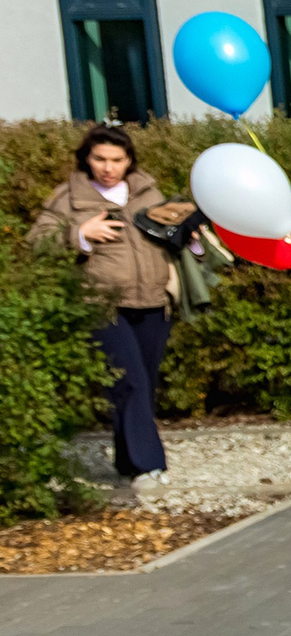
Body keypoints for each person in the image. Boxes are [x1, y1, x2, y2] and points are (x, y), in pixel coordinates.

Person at [28, 124, 183, 484]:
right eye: (99, 158)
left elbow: (167, 238)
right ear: (87, 158)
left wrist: (186, 234)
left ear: (129, 161)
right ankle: (149, 464)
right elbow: (38, 241)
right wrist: (80, 234)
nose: (108, 167)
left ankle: (127, 462)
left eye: (117, 159)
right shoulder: (69, 197)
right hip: (101, 304)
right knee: (128, 381)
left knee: (142, 382)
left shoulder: (147, 192)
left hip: (152, 302)